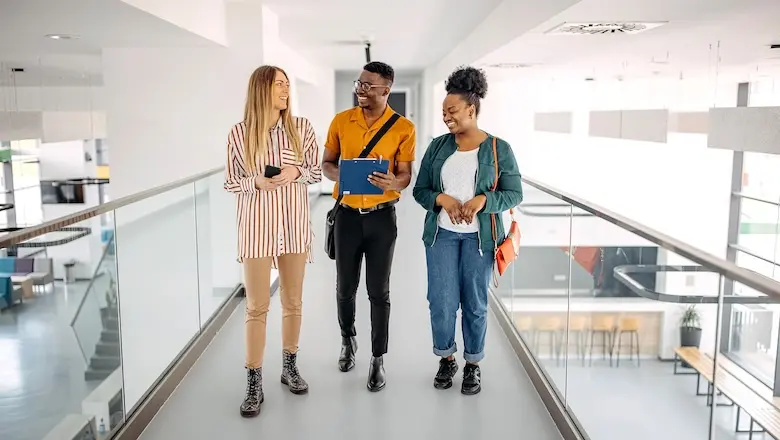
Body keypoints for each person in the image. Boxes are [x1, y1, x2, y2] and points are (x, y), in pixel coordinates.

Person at [412, 66, 523, 395]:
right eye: (444, 111)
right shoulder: (437, 147)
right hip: (441, 236)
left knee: (475, 303)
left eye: (453, 111)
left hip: (481, 239)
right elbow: (421, 191)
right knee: (442, 302)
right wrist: (442, 198)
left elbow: (514, 193)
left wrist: (481, 201)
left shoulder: (498, 149)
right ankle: (446, 359)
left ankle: (473, 364)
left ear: (471, 110)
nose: (447, 117)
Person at [224, 65, 322, 417]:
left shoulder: (302, 129)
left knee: (293, 302)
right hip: (256, 229)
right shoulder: (239, 133)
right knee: (256, 306)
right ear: (261, 89)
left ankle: (289, 366)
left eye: (286, 84)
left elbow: (315, 171)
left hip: (293, 227)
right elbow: (231, 181)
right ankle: (253, 382)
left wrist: (296, 171)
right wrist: (256, 183)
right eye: (278, 84)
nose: (285, 90)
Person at [322, 61, 416, 392]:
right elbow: (326, 164)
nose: (360, 90)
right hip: (346, 216)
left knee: (379, 291)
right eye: (358, 84)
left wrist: (395, 180)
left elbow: (405, 175)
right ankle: (348, 340)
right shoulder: (340, 121)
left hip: (381, 218)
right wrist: (341, 173)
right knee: (345, 287)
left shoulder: (404, 128)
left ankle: (378, 358)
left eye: (367, 86)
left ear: (385, 90)